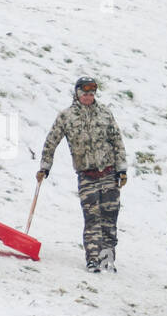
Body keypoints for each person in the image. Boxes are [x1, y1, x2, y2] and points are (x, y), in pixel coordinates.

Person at [37, 76, 128, 272]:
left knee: (110, 217)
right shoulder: (67, 116)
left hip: (109, 173)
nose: (88, 96)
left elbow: (117, 141)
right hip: (87, 175)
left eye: (91, 93)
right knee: (92, 218)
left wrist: (122, 169)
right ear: (77, 93)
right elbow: (51, 141)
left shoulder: (105, 113)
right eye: (84, 93)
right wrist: (45, 166)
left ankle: (107, 258)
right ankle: (93, 259)